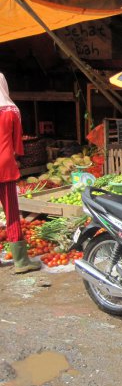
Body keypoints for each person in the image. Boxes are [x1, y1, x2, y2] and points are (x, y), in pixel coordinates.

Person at [0, 72, 40, 274]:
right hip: (5, 166)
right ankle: (21, 262)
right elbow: (18, 145)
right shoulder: (11, 110)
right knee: (11, 213)